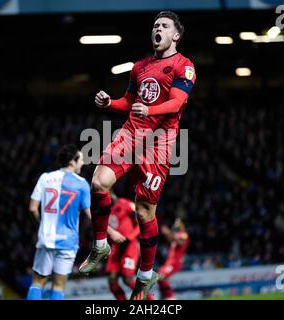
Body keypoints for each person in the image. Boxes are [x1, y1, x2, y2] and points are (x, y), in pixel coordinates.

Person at [79, 10, 196, 300]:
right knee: (98, 182)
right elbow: (129, 102)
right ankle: (101, 244)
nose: (157, 29)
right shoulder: (140, 66)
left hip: (159, 143)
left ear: (175, 35)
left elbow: (177, 103)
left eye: (164, 26)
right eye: (155, 25)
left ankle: (145, 275)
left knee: (144, 211)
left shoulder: (185, 66)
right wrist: (110, 103)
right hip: (131, 134)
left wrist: (150, 110)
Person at [27, 144, 124, 300]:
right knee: (58, 286)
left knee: (37, 283)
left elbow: (32, 208)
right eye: (81, 160)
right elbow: (91, 215)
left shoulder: (45, 178)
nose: (83, 163)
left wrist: (41, 225)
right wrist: (111, 232)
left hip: (46, 238)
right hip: (68, 242)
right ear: (72, 162)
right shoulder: (81, 184)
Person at [105, 191, 155, 300]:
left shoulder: (125, 204)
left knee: (127, 279)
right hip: (116, 247)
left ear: (111, 193)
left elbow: (140, 223)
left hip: (130, 245)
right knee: (112, 280)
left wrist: (129, 238)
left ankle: (151, 299)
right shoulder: (104, 211)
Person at [157, 217, 189, 300]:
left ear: (183, 224)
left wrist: (168, 233)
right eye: (176, 222)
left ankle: (171, 297)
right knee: (159, 276)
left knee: (161, 276)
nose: (176, 224)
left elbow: (180, 242)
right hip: (169, 261)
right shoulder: (177, 234)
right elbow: (171, 239)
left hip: (175, 262)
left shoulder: (184, 234)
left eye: (178, 222)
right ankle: (165, 296)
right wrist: (167, 233)